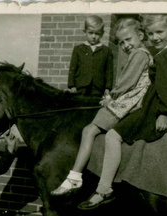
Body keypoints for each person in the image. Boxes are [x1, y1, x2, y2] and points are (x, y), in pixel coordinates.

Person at [77, 14, 167, 210]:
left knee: (113, 136)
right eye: (151, 33)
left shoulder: (165, 55)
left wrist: (164, 113)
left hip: (159, 108)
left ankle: (104, 188)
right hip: (163, 104)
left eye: (160, 32)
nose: (155, 37)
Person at [51, 18, 153, 196]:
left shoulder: (139, 54)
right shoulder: (142, 53)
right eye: (121, 42)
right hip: (128, 102)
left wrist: (111, 97)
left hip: (126, 104)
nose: (125, 45)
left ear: (141, 35)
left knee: (89, 130)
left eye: (128, 39)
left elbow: (127, 82)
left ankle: (74, 177)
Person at [68, 15, 114, 98]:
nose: (93, 36)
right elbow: (73, 68)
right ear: (85, 31)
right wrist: (72, 85)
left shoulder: (106, 51)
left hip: (98, 87)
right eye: (90, 33)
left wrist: (108, 88)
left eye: (97, 33)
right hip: (80, 86)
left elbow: (109, 71)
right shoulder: (78, 49)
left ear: (102, 34)